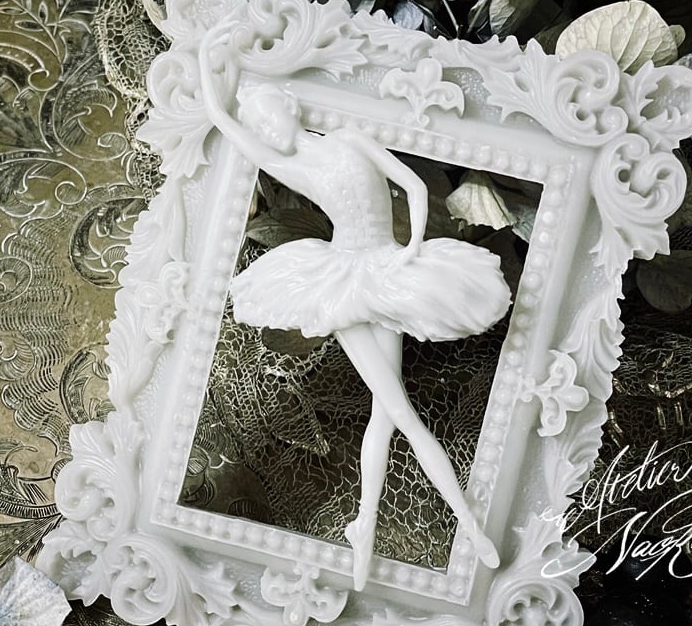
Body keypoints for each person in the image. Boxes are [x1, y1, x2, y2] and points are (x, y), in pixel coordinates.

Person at [197, 31, 510, 588]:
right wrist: (203, 60)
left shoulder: (350, 137)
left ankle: (364, 525)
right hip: (341, 281)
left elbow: (414, 187)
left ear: (289, 106)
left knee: (386, 415)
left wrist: (412, 246)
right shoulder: (291, 166)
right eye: (261, 128)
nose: (268, 131)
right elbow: (223, 122)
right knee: (400, 411)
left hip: (386, 269)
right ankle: (469, 527)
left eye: (270, 118)